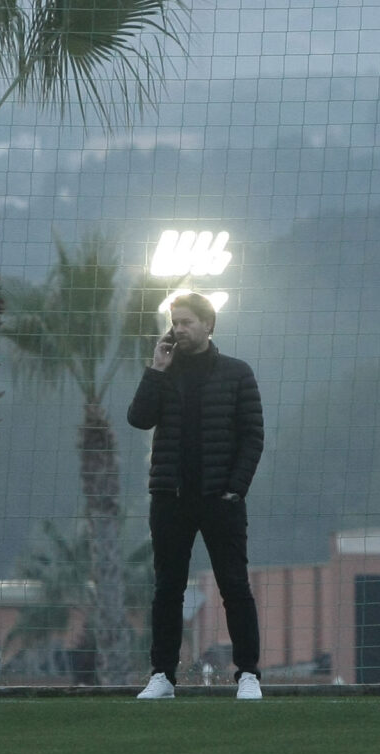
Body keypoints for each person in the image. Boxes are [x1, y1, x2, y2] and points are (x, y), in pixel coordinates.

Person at [127, 292, 264, 700]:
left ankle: (249, 675)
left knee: (234, 586)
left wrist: (235, 490)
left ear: (208, 325)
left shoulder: (237, 373)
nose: (178, 329)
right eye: (175, 321)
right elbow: (138, 419)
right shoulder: (163, 372)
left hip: (220, 500)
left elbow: (253, 437)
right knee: (168, 588)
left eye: (186, 321)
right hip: (170, 498)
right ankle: (163, 677)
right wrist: (156, 370)